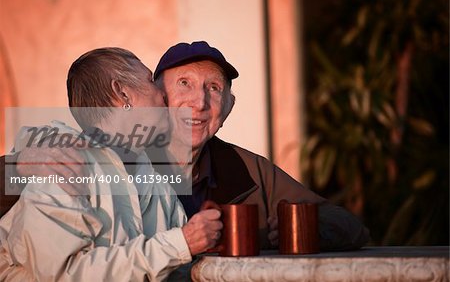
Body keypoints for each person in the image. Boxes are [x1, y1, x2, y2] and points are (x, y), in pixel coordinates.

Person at [4, 41, 369, 251]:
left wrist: (308, 230)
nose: (199, 103)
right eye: (184, 84)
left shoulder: (247, 170)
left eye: (214, 89)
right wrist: (20, 166)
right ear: (158, 96)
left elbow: (348, 224)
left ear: (228, 108)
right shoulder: (118, 153)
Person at [0, 47, 222, 281]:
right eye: (149, 80)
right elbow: (64, 275)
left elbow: (178, 271)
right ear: (123, 93)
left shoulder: (158, 184)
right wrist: (179, 244)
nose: (164, 93)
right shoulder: (62, 166)